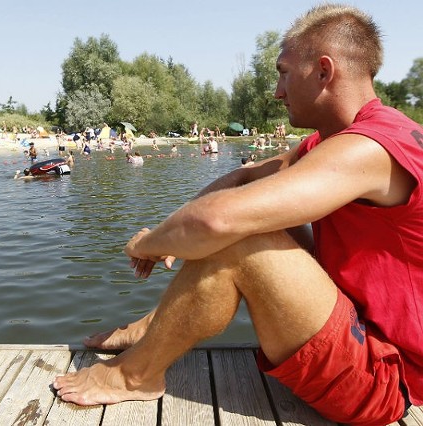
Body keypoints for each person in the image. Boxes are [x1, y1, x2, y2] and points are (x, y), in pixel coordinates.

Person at [53, 5, 422, 424]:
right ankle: (153, 326)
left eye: (284, 72)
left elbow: (217, 221)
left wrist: (148, 243)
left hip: (389, 380)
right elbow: (245, 176)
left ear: (324, 72)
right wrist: (173, 232)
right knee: (253, 212)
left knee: (242, 233)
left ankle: (136, 376)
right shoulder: (335, 141)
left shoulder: (371, 148)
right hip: (361, 338)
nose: (278, 91)